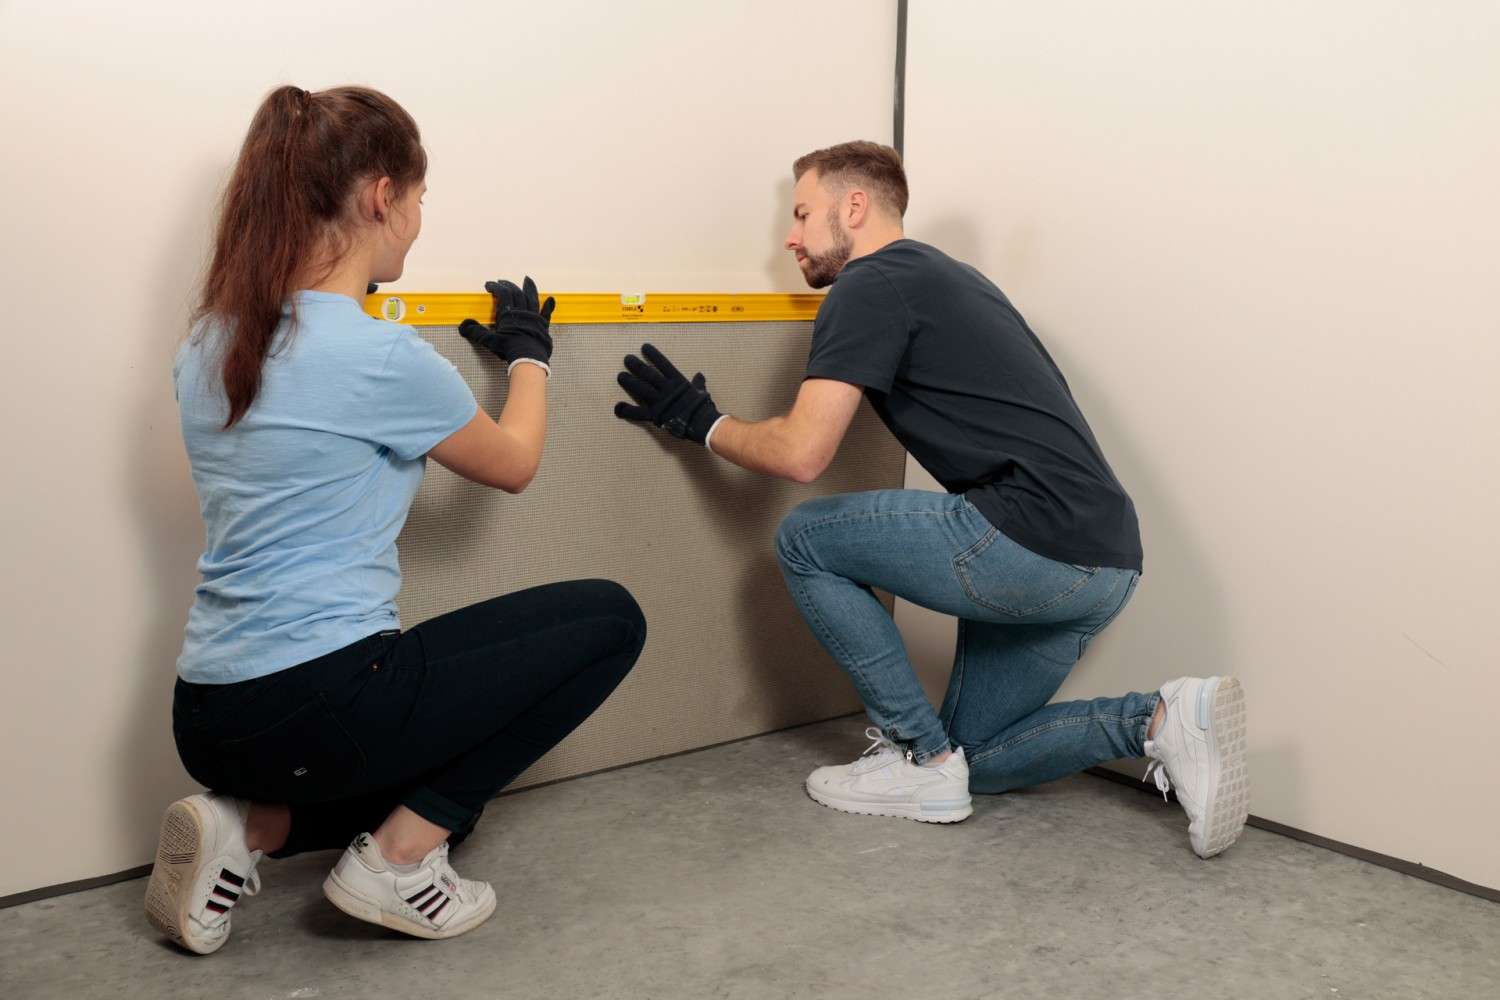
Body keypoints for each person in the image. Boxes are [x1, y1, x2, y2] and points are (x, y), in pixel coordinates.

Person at [613, 140, 1247, 858]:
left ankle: (917, 757)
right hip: (1105, 563)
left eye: (801, 214)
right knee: (981, 759)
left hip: (1030, 540)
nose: (789, 236)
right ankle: (1162, 720)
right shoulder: (952, 278)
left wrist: (705, 424)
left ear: (855, 206)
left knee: (804, 538)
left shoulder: (868, 285)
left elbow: (801, 454)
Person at [146, 85, 645, 955]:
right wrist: (531, 358)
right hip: (320, 703)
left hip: (209, 715)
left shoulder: (209, 344)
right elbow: (514, 465)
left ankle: (251, 825)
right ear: (383, 197)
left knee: (441, 794)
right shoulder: (378, 355)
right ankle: (396, 866)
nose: (418, 220)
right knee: (610, 620)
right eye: (418, 198)